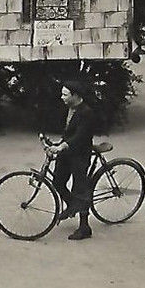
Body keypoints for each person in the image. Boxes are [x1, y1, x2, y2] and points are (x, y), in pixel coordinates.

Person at [49, 81, 96, 241]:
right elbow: (68, 131)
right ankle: (72, 206)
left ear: (75, 96)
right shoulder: (69, 108)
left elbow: (81, 135)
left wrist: (64, 145)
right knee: (58, 182)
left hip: (80, 154)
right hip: (67, 152)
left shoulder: (87, 112)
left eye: (65, 94)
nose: (61, 97)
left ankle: (85, 228)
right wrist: (57, 143)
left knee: (80, 189)